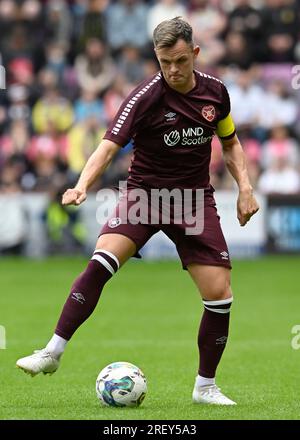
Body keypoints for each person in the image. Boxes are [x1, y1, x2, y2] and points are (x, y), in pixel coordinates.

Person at [16, 17, 259, 406]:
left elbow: (230, 143)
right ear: (156, 58)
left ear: (195, 53)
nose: (173, 70)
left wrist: (245, 188)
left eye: (180, 60)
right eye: (165, 62)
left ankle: (205, 387)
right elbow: (108, 146)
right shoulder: (144, 96)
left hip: (193, 200)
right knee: (101, 262)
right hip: (144, 195)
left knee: (220, 295)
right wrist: (81, 185)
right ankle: (52, 352)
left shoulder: (217, 94)